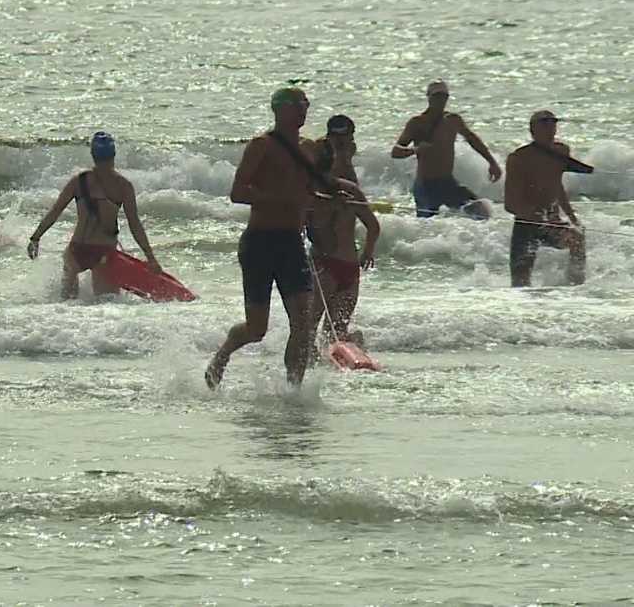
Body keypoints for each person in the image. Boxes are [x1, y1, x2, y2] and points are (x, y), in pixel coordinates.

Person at [205, 89, 363, 390]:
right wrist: (281, 199)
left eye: (307, 103)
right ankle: (223, 355)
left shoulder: (310, 149)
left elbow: (315, 190)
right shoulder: (261, 146)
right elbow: (238, 193)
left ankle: (293, 391)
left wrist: (336, 197)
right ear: (279, 110)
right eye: (298, 104)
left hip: (292, 243)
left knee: (302, 325)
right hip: (260, 243)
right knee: (256, 328)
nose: (304, 109)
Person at [26, 132, 162, 299]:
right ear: (113, 154)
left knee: (65, 306)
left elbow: (55, 212)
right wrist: (151, 258)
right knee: (105, 307)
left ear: (93, 155)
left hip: (77, 250)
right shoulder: (123, 186)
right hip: (104, 253)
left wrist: (36, 237)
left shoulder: (79, 181)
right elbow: (135, 224)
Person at [307, 115, 381, 348]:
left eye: (345, 136)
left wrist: (367, 252)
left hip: (348, 265)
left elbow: (372, 225)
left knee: (336, 330)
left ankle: (339, 365)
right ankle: (309, 364)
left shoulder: (348, 168)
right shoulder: (322, 160)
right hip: (325, 262)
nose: (341, 142)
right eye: (337, 137)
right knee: (310, 326)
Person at [391, 81, 503, 219]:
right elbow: (396, 151)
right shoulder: (417, 122)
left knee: (480, 211)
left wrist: (492, 162)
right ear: (429, 97)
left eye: (444, 97)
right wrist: (415, 149)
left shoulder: (453, 120)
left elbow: (472, 139)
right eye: (437, 96)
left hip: (447, 182)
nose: (440, 100)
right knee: (427, 224)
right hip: (425, 185)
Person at [504, 110, 587, 287]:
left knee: (577, 239)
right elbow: (510, 204)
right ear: (532, 129)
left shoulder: (561, 151)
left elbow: (556, 186)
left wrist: (572, 218)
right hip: (526, 224)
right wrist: (532, 215)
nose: (550, 128)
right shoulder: (518, 158)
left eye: (553, 123)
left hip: (552, 221)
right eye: (544, 124)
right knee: (520, 284)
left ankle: (575, 288)